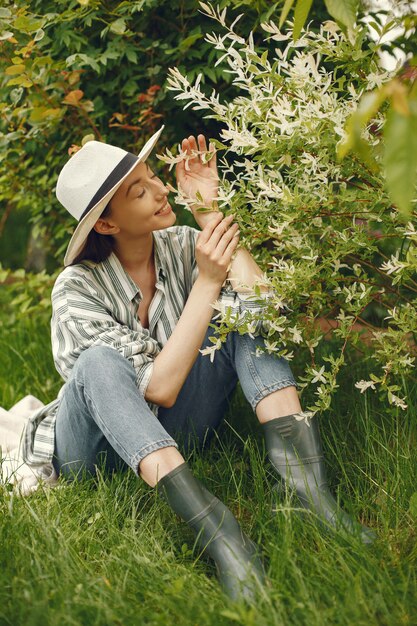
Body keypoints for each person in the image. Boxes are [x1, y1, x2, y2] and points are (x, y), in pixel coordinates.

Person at [22, 126, 375, 603]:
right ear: (106, 225)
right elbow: (162, 388)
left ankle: (308, 494)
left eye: (153, 178)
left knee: (243, 315)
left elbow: (267, 314)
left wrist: (209, 213)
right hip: (96, 457)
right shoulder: (74, 290)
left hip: (176, 431)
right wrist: (208, 284)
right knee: (98, 364)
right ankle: (220, 533)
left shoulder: (183, 244)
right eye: (139, 190)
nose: (161, 190)